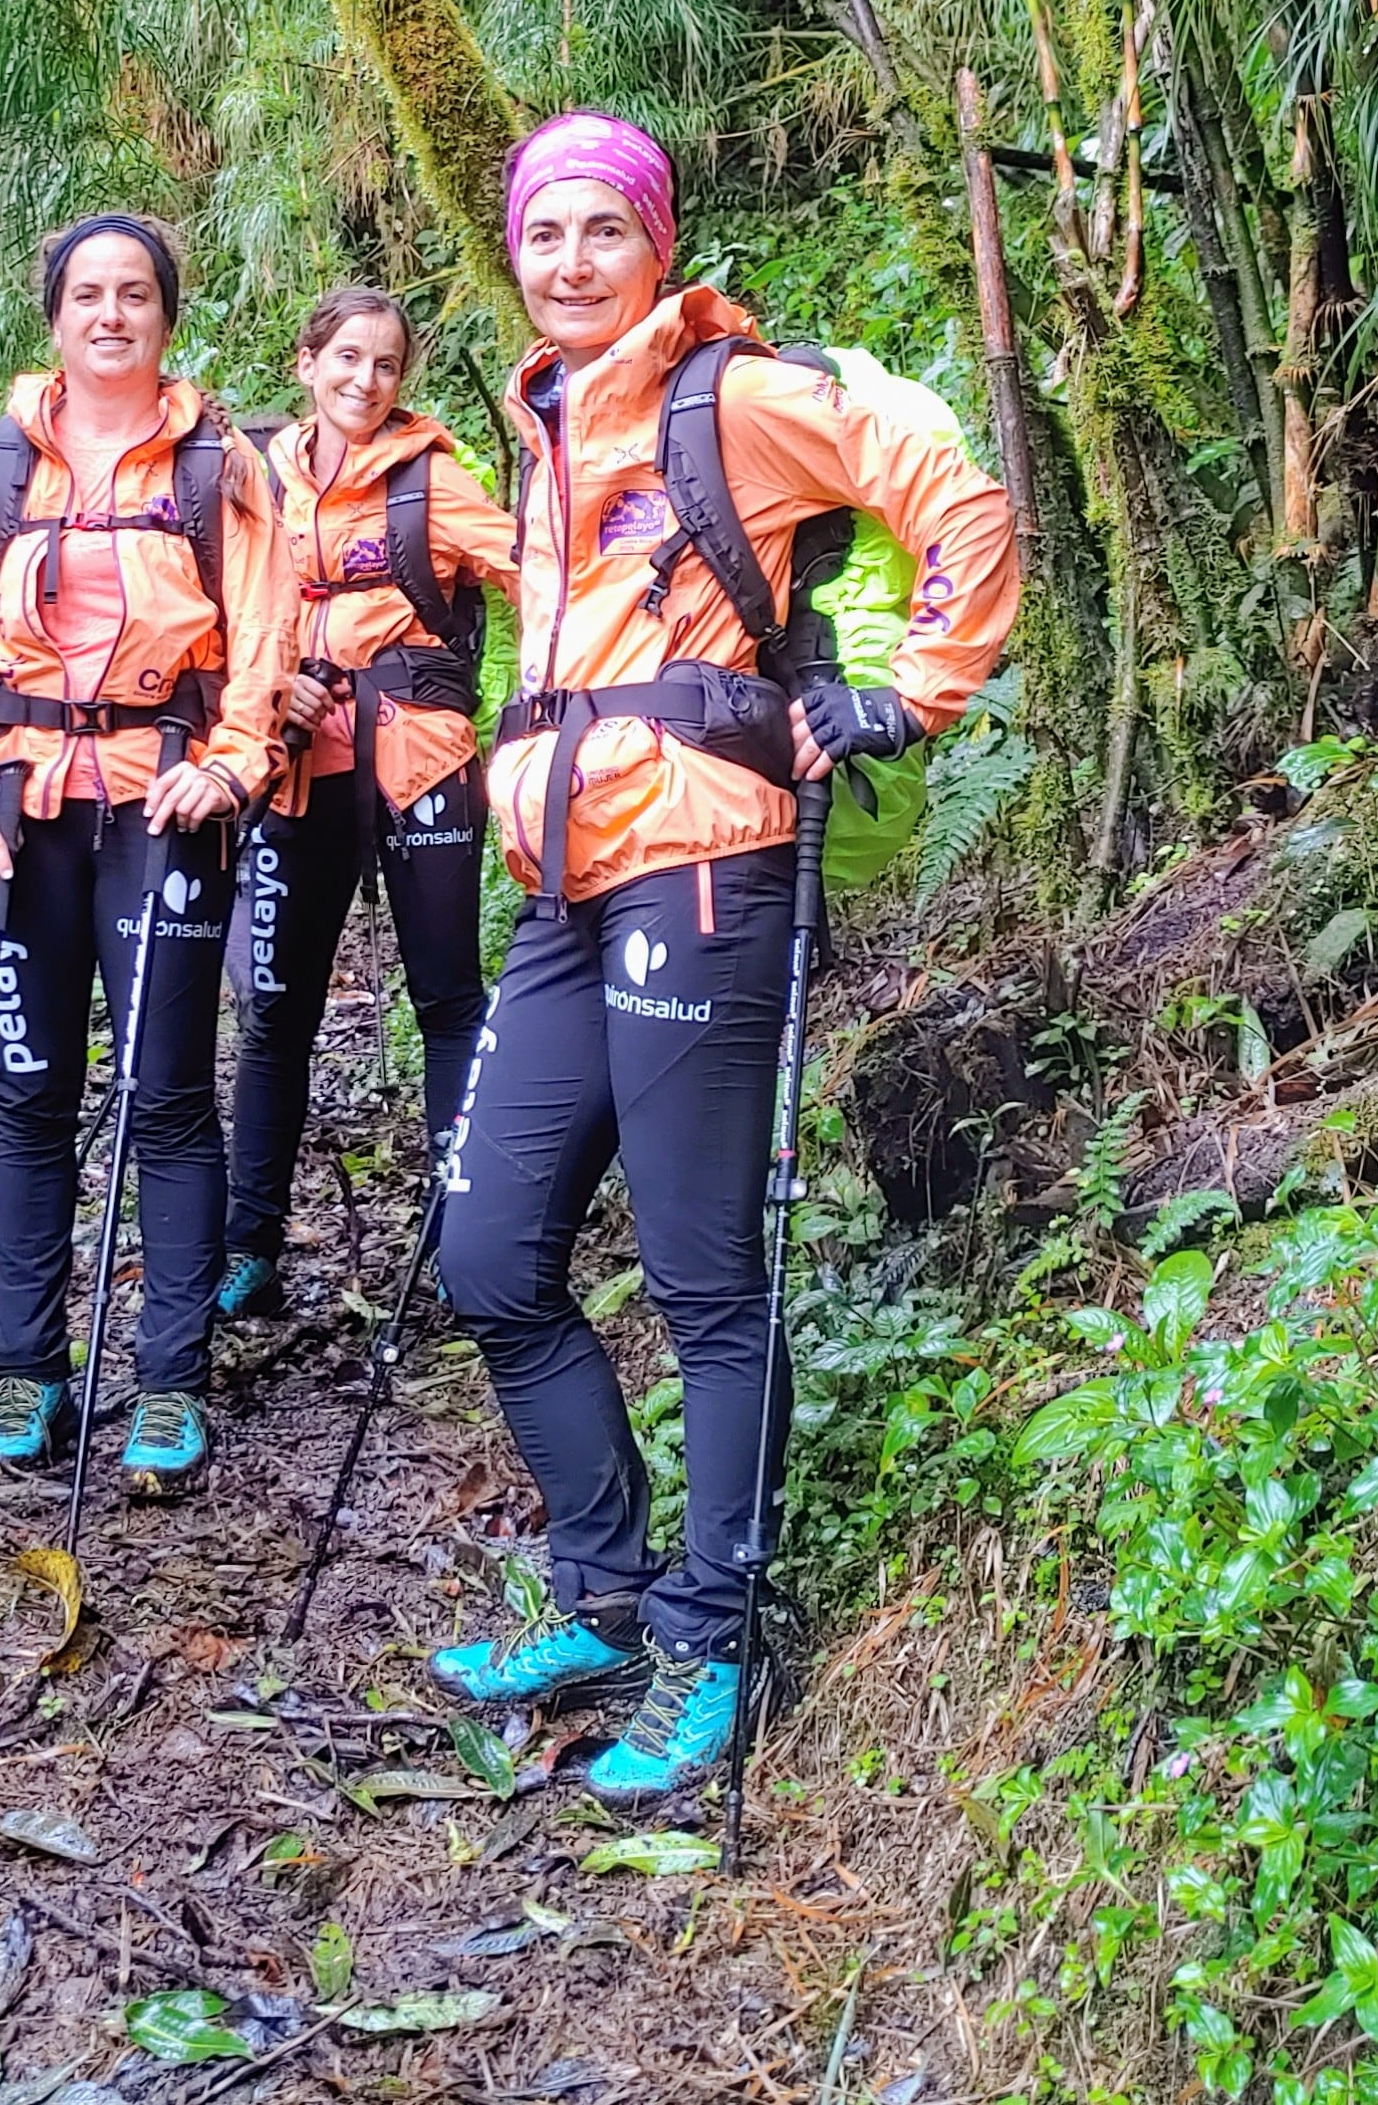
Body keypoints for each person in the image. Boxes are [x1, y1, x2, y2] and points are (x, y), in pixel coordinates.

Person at [426, 113, 1017, 1801]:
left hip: (702, 871)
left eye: (603, 229)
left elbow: (944, 482)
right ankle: (602, 1590)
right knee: (488, 1254)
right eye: (545, 233)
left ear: (657, 242)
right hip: (566, 885)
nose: (570, 260)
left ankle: (709, 1638)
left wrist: (912, 683)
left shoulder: (731, 396)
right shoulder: (544, 424)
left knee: (700, 1278)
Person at [0, 218, 284, 1492]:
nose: (110, 313)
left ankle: (170, 1383)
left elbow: (265, 642)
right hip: (18, 816)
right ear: (55, 317)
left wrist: (231, 764)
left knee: (168, 1093)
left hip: (162, 807)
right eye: (87, 294)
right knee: (27, 1091)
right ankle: (29, 1369)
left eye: (134, 294)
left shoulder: (220, 471)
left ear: (166, 317)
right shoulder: (1, 469)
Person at [219, 287, 515, 1319]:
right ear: (306, 361)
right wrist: (256, 693)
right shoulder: (255, 480)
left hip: (420, 762)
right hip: (297, 769)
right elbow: (214, 616)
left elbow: (539, 572)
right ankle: (247, 1246)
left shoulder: (433, 480)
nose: (365, 380)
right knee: (276, 1016)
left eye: (386, 365)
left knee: (445, 999)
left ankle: (463, 1243)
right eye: (347, 358)